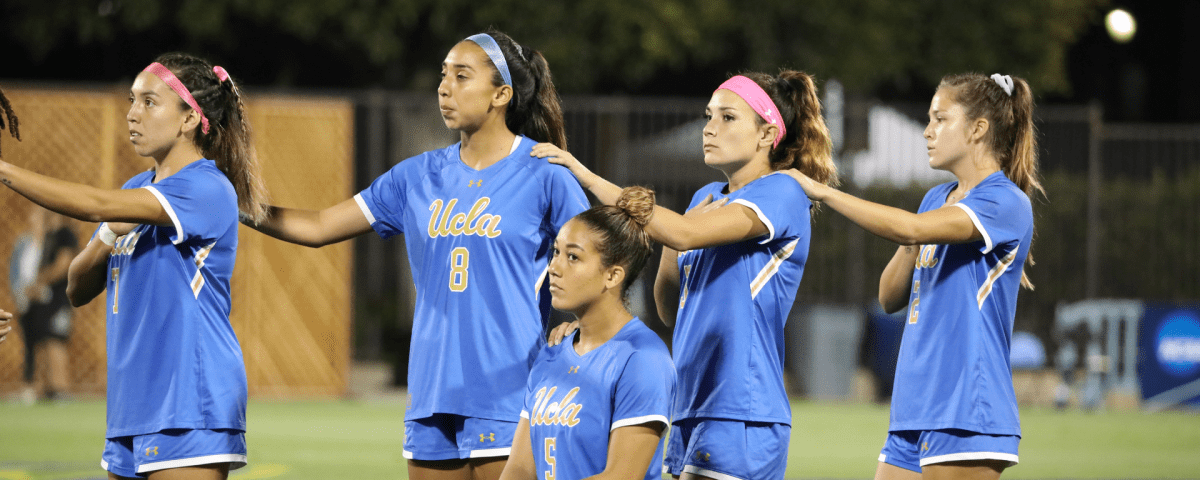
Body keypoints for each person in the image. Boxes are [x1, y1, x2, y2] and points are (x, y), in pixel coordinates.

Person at [240, 30, 588, 480]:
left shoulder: (545, 173)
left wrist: (577, 322)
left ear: (502, 94)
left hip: (509, 391)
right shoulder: (416, 176)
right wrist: (239, 203)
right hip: (430, 391)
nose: (444, 87)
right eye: (443, 75)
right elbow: (321, 226)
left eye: (462, 76)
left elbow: (598, 256)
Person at [535, 70, 838, 480]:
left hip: (742, 413)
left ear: (767, 135)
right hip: (690, 407)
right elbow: (669, 309)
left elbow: (683, 232)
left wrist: (585, 176)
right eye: (708, 115)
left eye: (727, 117)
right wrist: (675, 243)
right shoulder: (706, 199)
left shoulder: (782, 191)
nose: (709, 128)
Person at [0, 52, 268, 479]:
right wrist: (107, 235)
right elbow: (76, 288)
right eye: (132, 100)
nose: (131, 114)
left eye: (149, 102)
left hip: (188, 401)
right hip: (131, 405)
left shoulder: (207, 187)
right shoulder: (136, 190)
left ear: (187, 119)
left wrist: (4, 170)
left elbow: (94, 204)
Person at [782, 73, 1041, 480]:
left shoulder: (1005, 201)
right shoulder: (936, 200)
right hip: (914, 405)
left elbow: (910, 228)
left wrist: (826, 193)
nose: (927, 132)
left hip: (966, 408)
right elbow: (889, 296)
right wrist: (915, 234)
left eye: (940, 119)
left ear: (978, 129)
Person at [499, 186, 675, 480]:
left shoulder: (643, 359)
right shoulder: (552, 352)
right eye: (556, 252)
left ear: (612, 275)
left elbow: (620, 476)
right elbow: (519, 468)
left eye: (573, 257)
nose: (553, 267)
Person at [17, 208, 80, 402]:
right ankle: (47, 388)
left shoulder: (65, 235)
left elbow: (63, 266)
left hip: (60, 298)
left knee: (56, 339)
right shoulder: (46, 236)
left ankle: (61, 388)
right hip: (44, 300)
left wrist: (39, 282)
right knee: (44, 340)